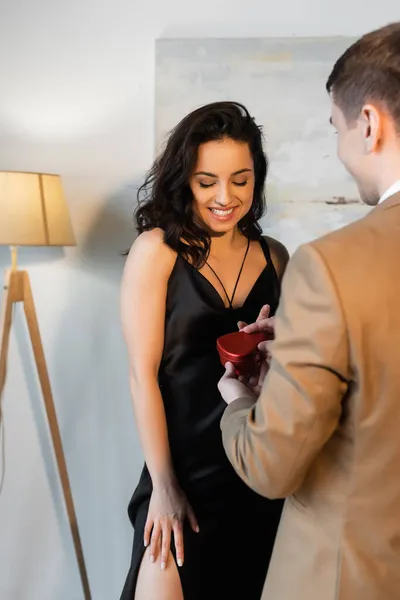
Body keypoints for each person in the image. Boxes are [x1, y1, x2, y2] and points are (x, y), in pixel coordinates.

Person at [218, 22, 400, 600]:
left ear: (368, 124)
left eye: (338, 129)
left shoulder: (328, 265)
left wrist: (241, 403)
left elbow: (273, 467)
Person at [119, 101, 289, 600]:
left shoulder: (275, 257)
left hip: (257, 470)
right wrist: (164, 485)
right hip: (182, 477)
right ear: (183, 179)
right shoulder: (157, 251)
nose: (225, 196)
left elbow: (288, 376)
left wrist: (278, 346)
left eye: (241, 179)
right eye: (206, 180)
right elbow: (141, 376)